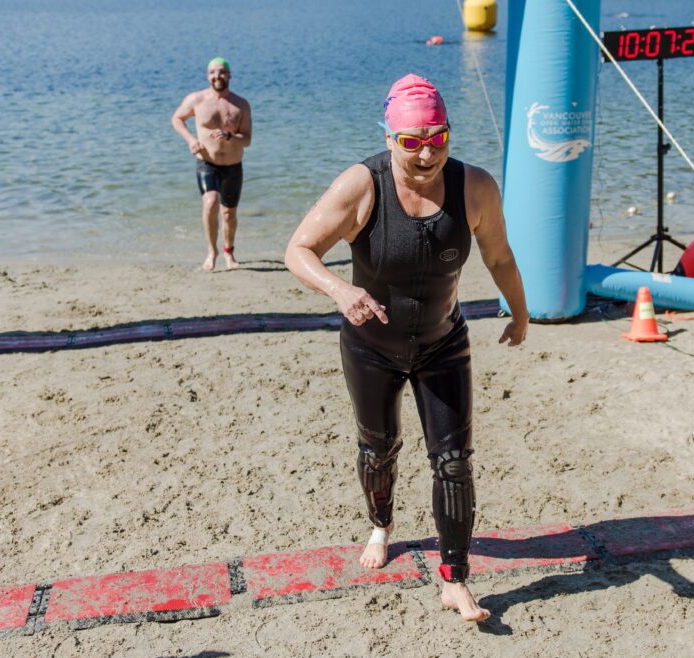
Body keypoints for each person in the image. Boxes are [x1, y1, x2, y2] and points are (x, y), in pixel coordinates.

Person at [285, 74, 528, 622]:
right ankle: (382, 525)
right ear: (389, 137)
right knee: (379, 449)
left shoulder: (475, 187)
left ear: (449, 133)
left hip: (444, 344)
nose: (426, 152)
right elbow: (298, 250)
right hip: (371, 347)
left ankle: (456, 579)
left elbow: (500, 257)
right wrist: (340, 289)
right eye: (411, 141)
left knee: (455, 464)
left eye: (437, 138)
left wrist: (520, 310)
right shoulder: (361, 185)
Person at [172, 57, 252, 271]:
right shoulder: (196, 100)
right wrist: (191, 140)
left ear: (229, 75)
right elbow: (177, 119)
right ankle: (211, 252)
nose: (218, 76)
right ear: (208, 76)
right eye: (213, 72)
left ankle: (228, 252)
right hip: (207, 163)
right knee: (210, 204)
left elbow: (247, 139)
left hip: (233, 166)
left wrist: (230, 136)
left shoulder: (240, 104)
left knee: (229, 214)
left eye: (222, 72)